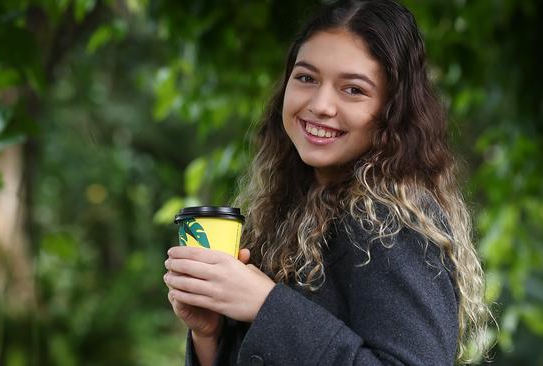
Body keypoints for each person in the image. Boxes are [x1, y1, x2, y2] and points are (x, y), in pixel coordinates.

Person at [163, 0, 491, 364]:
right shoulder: (289, 206)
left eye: (353, 89)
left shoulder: (391, 221)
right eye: (306, 78)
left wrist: (266, 305)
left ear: (392, 110)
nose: (320, 104)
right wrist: (210, 335)